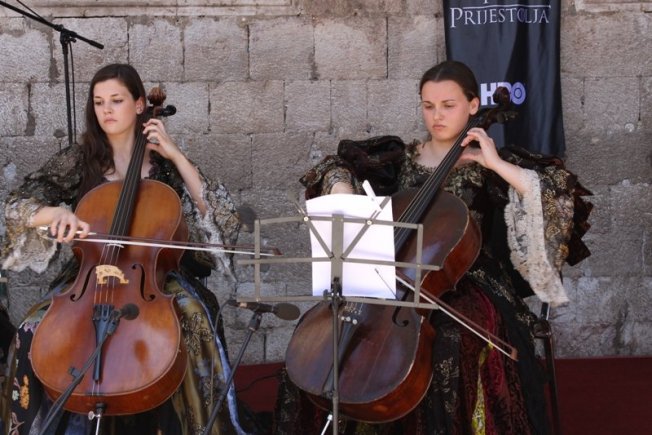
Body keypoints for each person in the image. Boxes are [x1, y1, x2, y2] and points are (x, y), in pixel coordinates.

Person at [274, 60, 592, 434]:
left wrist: (495, 164)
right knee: (325, 339)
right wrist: (343, 190)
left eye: (448, 105)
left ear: (473, 105)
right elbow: (335, 166)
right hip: (392, 271)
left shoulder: (493, 163)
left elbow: (557, 198)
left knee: (450, 341)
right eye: (428, 106)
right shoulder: (399, 158)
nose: (436, 116)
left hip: (466, 278)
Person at [0, 63, 248, 434]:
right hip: (90, 275)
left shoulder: (162, 164)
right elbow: (18, 204)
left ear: (139, 104)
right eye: (99, 102)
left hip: (155, 276)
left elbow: (217, 212)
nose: (107, 110)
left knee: (194, 318)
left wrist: (176, 155)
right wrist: (55, 213)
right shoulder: (80, 158)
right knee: (28, 331)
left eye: (116, 100)